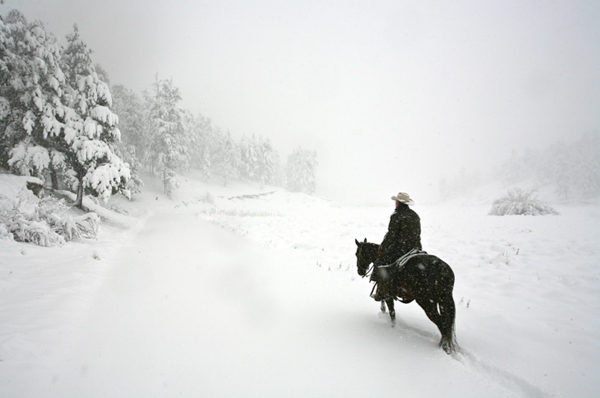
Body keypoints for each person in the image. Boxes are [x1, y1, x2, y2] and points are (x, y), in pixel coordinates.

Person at [371, 192, 422, 301]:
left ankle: (382, 292)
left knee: (381, 263)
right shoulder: (415, 215)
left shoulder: (397, 215)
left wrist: (382, 248)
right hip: (415, 249)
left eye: (396, 201)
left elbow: (391, 235)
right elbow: (417, 234)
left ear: (398, 203)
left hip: (401, 249)